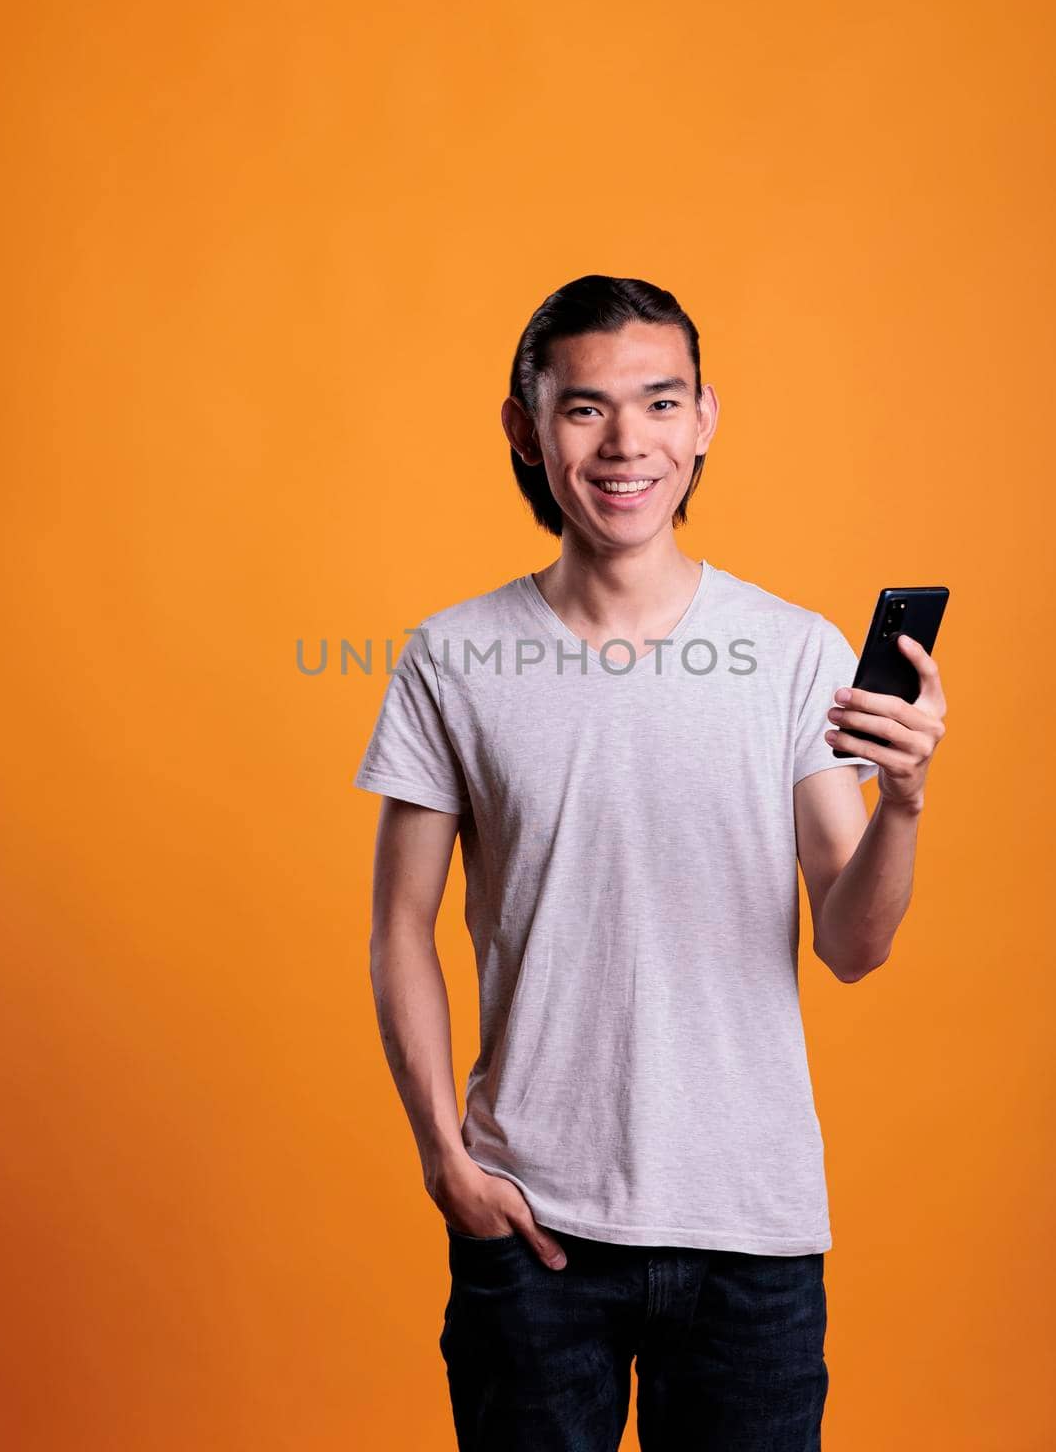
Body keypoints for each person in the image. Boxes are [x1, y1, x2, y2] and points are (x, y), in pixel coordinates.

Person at [352, 274, 947, 1451]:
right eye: (583, 408)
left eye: (658, 402)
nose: (626, 442)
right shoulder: (450, 657)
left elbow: (852, 944)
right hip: (531, 1236)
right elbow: (397, 927)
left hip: (751, 1236)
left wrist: (905, 806)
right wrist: (444, 1162)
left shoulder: (791, 652)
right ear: (524, 427)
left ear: (702, 419)